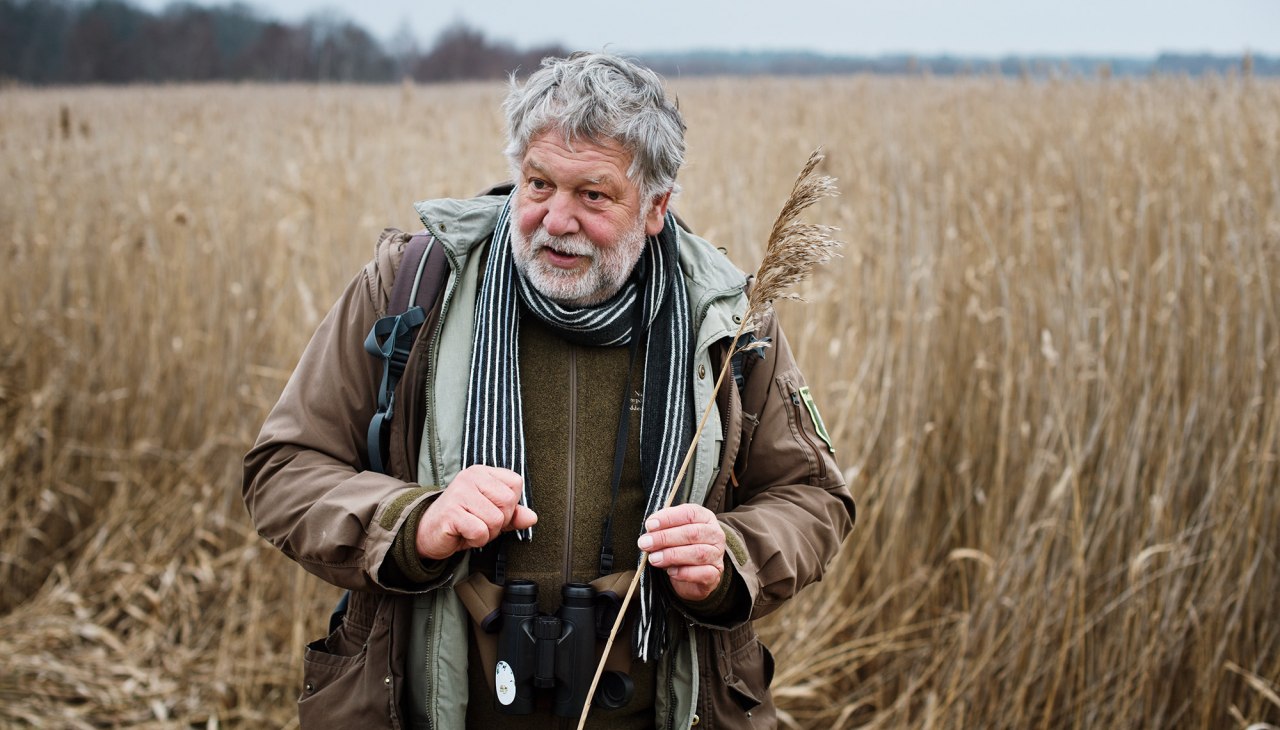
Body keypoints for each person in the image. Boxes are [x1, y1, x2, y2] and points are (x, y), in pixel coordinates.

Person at [243, 51, 854, 729]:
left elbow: (814, 497)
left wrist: (731, 559)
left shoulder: (731, 322)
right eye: (538, 184)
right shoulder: (411, 288)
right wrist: (413, 523)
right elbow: (283, 470)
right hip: (435, 707)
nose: (556, 219)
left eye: (593, 195)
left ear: (655, 208)